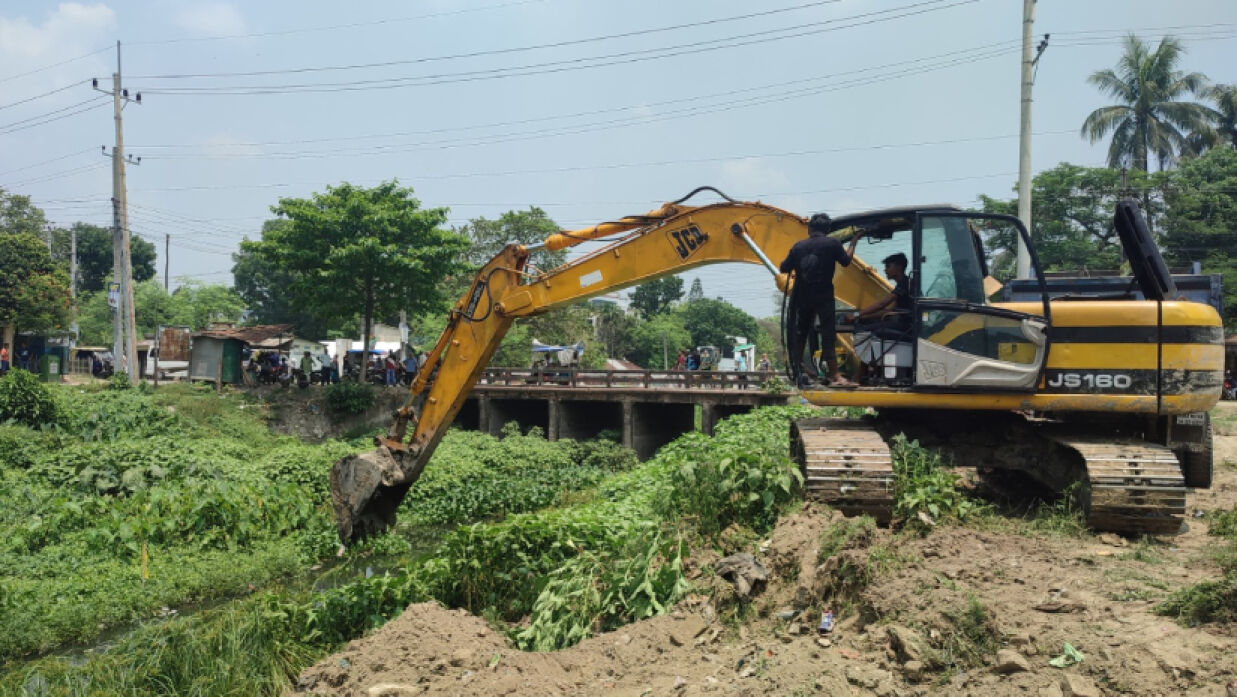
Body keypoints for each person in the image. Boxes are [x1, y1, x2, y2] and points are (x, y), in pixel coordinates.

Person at [779, 212, 861, 387]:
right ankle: (835, 375)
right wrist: (853, 241)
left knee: (800, 332)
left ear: (809, 229)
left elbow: (783, 267)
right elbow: (846, 261)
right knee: (828, 334)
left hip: (802, 297)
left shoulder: (798, 247)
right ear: (828, 229)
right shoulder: (832, 243)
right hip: (824, 296)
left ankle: (798, 367)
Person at [844, 252, 913, 381]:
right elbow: (888, 311)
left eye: (888, 266)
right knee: (868, 326)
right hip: (904, 324)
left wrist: (857, 314)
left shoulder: (904, 284)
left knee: (867, 333)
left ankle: (861, 373)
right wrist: (864, 317)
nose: (885, 270)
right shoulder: (903, 284)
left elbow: (883, 304)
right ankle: (870, 370)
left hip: (906, 326)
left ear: (898, 267)